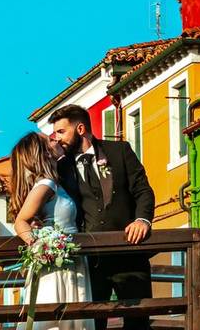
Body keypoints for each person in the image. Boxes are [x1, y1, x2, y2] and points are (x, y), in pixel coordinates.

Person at [48, 104, 155, 330]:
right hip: (90, 261)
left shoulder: (119, 151)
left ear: (80, 129)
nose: (57, 139)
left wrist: (142, 220)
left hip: (130, 253)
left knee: (138, 323)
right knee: (93, 324)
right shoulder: (61, 167)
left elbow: (143, 190)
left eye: (61, 132)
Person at [10, 132, 94, 330]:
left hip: (70, 260)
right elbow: (21, 221)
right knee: (56, 319)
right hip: (57, 264)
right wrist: (40, 245)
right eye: (50, 139)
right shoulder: (46, 185)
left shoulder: (55, 183)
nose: (55, 139)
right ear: (44, 152)